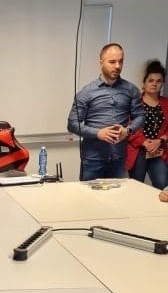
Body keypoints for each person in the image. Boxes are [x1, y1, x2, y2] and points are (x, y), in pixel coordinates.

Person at [67, 43, 144, 181]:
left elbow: (140, 117)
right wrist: (98, 133)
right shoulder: (86, 92)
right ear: (101, 62)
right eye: (112, 62)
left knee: (116, 194)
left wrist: (128, 130)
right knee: (88, 195)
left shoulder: (131, 90)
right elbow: (72, 124)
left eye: (120, 61)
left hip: (118, 159)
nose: (117, 66)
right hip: (92, 159)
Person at [126, 60, 168, 189]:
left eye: (159, 81)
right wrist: (144, 142)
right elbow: (128, 127)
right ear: (144, 83)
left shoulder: (166, 103)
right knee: (137, 186)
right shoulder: (134, 103)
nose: (154, 84)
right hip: (138, 150)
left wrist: (160, 140)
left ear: (163, 83)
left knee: (162, 184)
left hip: (158, 150)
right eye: (151, 80)